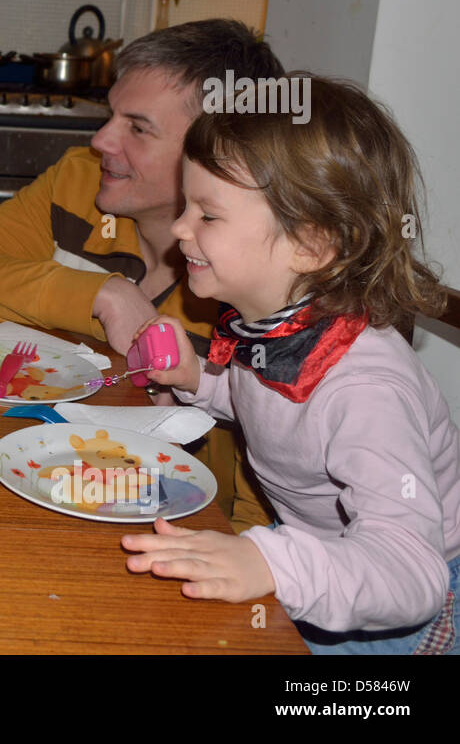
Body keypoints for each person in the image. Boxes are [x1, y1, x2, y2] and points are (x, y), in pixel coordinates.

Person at [122, 75, 459, 654]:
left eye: (208, 214)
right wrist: (198, 382)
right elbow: (271, 407)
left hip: (395, 607)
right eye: (186, 206)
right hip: (318, 554)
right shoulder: (277, 328)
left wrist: (270, 561)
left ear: (312, 245)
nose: (179, 229)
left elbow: (412, 573)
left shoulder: (367, 387)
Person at [0, 19, 285, 531]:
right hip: (42, 481)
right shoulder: (79, 182)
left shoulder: (254, 281)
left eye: (138, 127)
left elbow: (259, 512)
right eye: (112, 115)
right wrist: (100, 296)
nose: (101, 139)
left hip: (178, 534)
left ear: (217, 155)